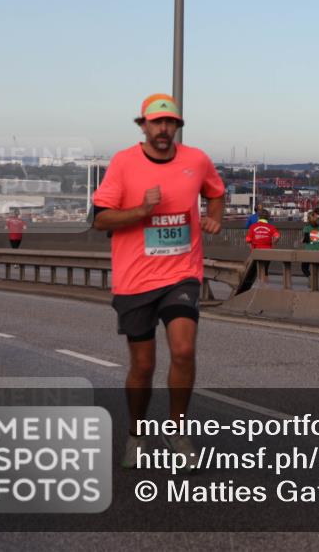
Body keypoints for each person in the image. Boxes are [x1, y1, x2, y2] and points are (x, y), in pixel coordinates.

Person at [92, 93, 225, 469]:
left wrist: (214, 216)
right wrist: (141, 210)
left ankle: (178, 430)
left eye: (172, 123)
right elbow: (100, 219)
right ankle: (136, 432)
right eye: (157, 122)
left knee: (183, 350)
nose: (165, 129)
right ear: (143, 125)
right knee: (143, 365)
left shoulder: (196, 160)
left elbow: (216, 193)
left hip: (182, 273)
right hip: (135, 279)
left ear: (178, 127)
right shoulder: (123, 163)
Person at [245, 208, 279, 285]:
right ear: (268, 217)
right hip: (268, 251)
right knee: (265, 270)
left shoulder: (253, 227)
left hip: (256, 251)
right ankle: (265, 286)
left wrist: (252, 249)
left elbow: (248, 240)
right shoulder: (271, 227)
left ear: (258, 217)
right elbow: (277, 236)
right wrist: (274, 243)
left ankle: (259, 286)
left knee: (257, 270)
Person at [300, 210, 319, 285]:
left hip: (309, 250)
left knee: (304, 267)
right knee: (316, 268)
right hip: (318, 250)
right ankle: (316, 282)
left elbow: (306, 239)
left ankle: (310, 278)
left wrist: (302, 240)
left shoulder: (307, 228)